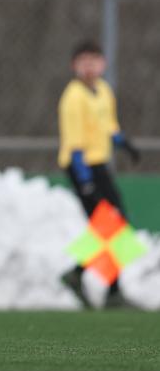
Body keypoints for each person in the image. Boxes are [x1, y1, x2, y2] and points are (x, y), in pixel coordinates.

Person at [58, 40, 141, 309]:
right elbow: (74, 145)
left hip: (100, 165)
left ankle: (92, 280)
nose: (89, 67)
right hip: (81, 167)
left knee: (118, 225)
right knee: (107, 226)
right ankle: (108, 289)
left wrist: (124, 143)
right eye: (84, 62)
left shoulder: (103, 91)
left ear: (103, 64)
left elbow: (108, 126)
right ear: (74, 66)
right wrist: (84, 182)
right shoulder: (73, 97)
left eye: (94, 61)